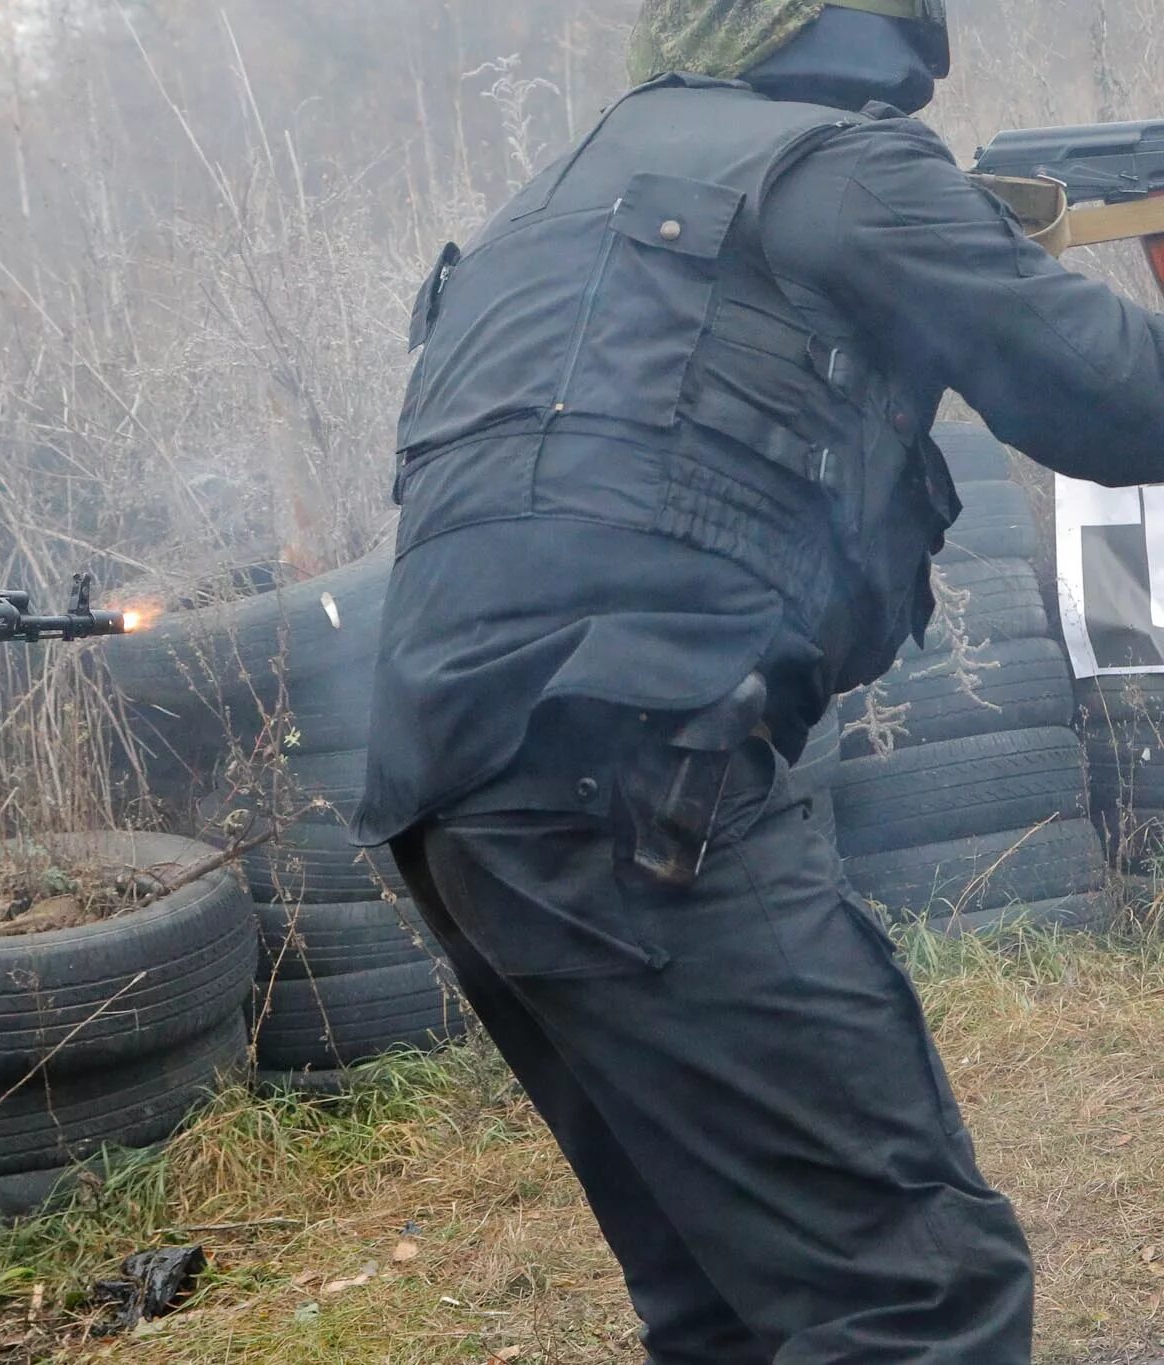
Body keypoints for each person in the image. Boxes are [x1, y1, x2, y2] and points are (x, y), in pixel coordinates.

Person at [355, 2, 1164, 1360]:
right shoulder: (841, 171)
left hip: (453, 800)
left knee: (728, 1305)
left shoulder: (558, 198)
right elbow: (1116, 402)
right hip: (637, 782)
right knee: (915, 1296)